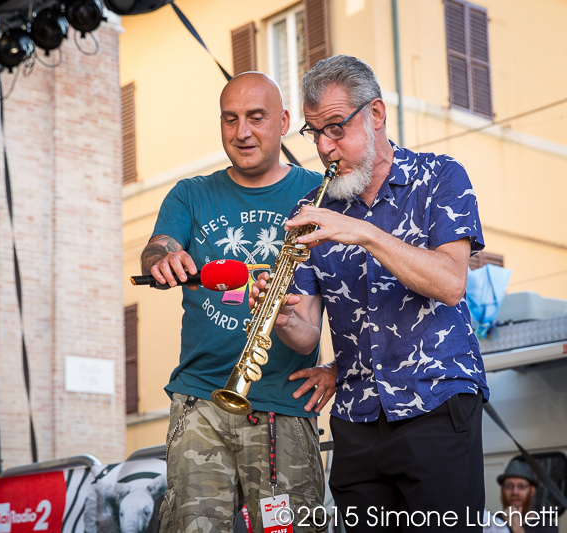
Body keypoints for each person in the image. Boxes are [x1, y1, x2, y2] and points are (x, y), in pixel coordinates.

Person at [250, 55, 489, 531]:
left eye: (336, 128)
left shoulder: (440, 177)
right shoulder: (312, 209)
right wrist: (283, 314)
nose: (324, 146)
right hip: (357, 419)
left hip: (435, 403)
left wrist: (364, 232)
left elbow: (449, 283)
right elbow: (305, 334)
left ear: (376, 114)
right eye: (314, 133)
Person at [141, 72, 327, 532]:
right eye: (231, 119)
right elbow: (156, 247)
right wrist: (166, 257)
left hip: (282, 404)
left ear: (284, 121)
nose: (242, 131)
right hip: (200, 398)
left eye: (256, 117)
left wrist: (328, 358)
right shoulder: (190, 193)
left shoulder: (318, 195)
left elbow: (327, 318)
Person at [483, 461, 559, 533]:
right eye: (509, 486)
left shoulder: (546, 526)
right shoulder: (492, 522)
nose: (515, 492)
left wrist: (517, 528)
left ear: (532, 491)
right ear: (502, 489)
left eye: (521, 486)